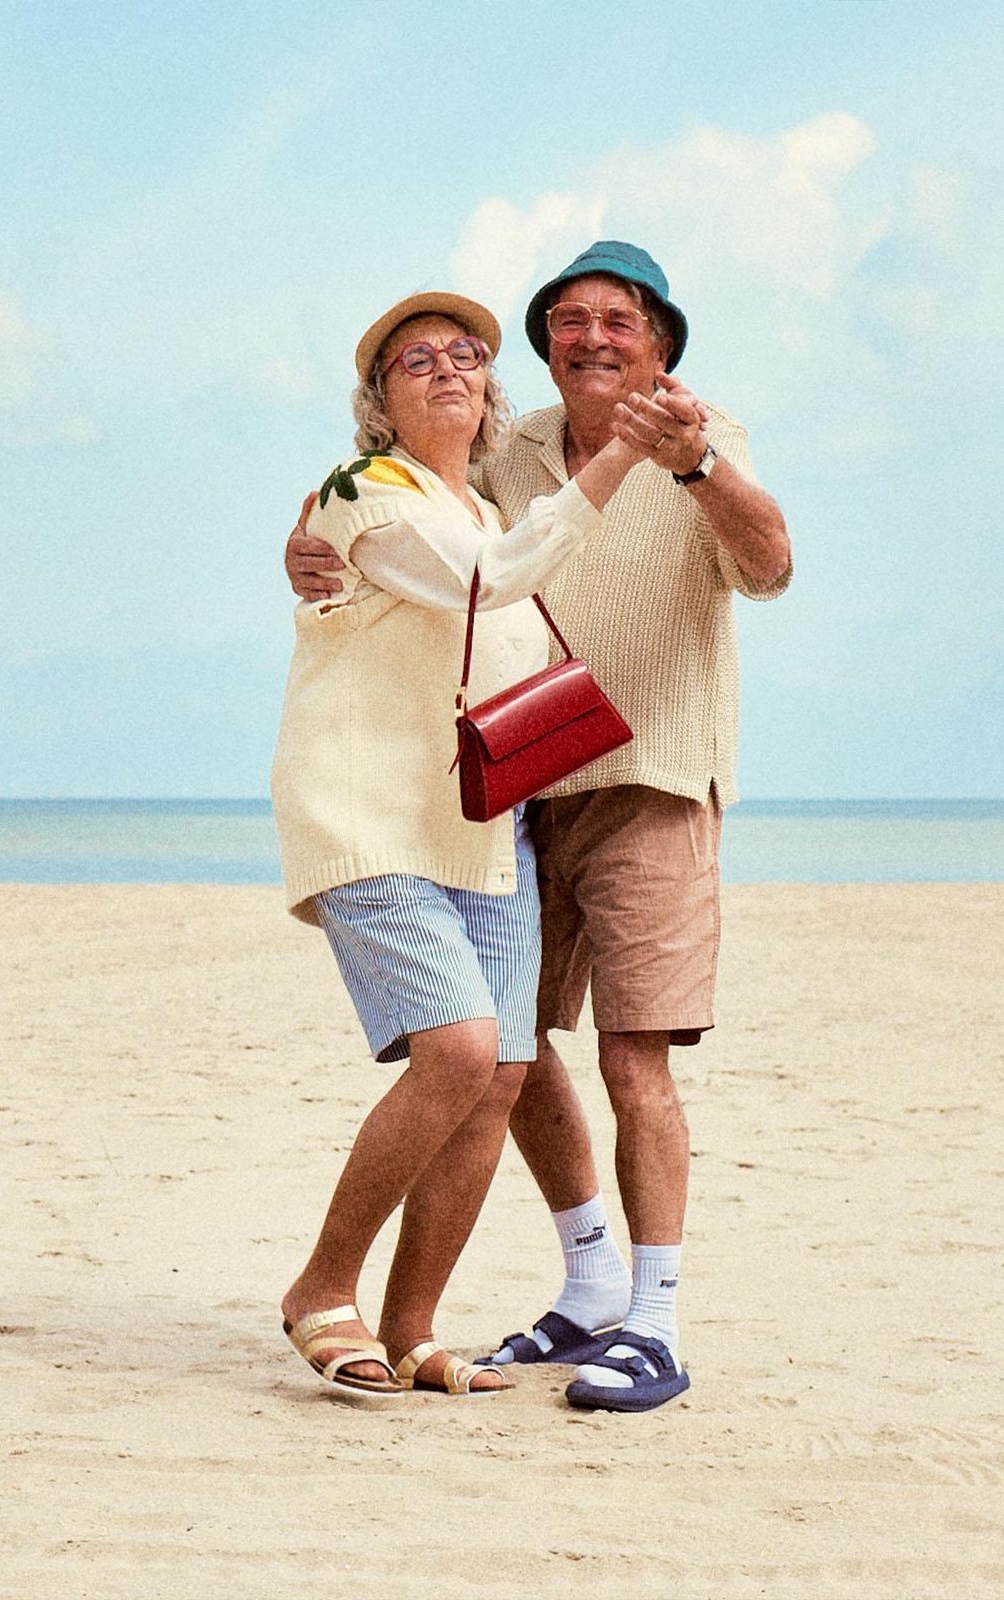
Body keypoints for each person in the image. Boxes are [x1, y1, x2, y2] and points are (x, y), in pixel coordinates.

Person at [286, 242, 792, 1411]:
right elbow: (412, 525)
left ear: (659, 341)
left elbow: (767, 568)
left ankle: (651, 1320)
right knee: (513, 1059)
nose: (592, 337)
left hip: (652, 776)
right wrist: (303, 537)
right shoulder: (502, 456)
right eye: (567, 320)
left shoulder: (706, 432)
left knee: (630, 1052)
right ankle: (586, 1282)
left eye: (618, 320)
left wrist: (694, 462)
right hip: (511, 796)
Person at [274, 290, 645, 1397]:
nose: (445, 366)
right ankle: (319, 1288)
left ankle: (412, 1323)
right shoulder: (358, 494)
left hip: (486, 828)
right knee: (458, 1051)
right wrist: (615, 461)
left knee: (505, 1070)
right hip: (367, 818)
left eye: (466, 354)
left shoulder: (485, 508)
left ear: (487, 390)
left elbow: (500, 574)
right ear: (378, 402)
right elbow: (482, 586)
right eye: (413, 359)